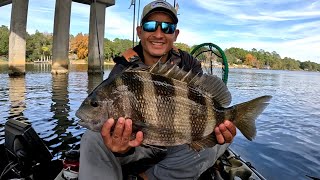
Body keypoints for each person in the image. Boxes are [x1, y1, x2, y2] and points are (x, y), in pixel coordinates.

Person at [78, 0, 236, 179]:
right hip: (138, 147)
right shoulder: (123, 69)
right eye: (151, 26)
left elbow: (207, 101)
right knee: (92, 139)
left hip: (178, 144)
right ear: (140, 31)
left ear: (175, 34)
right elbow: (118, 134)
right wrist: (122, 149)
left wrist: (217, 133)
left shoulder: (189, 64)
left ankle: (150, 177)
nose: (159, 34)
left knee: (218, 141)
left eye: (167, 28)